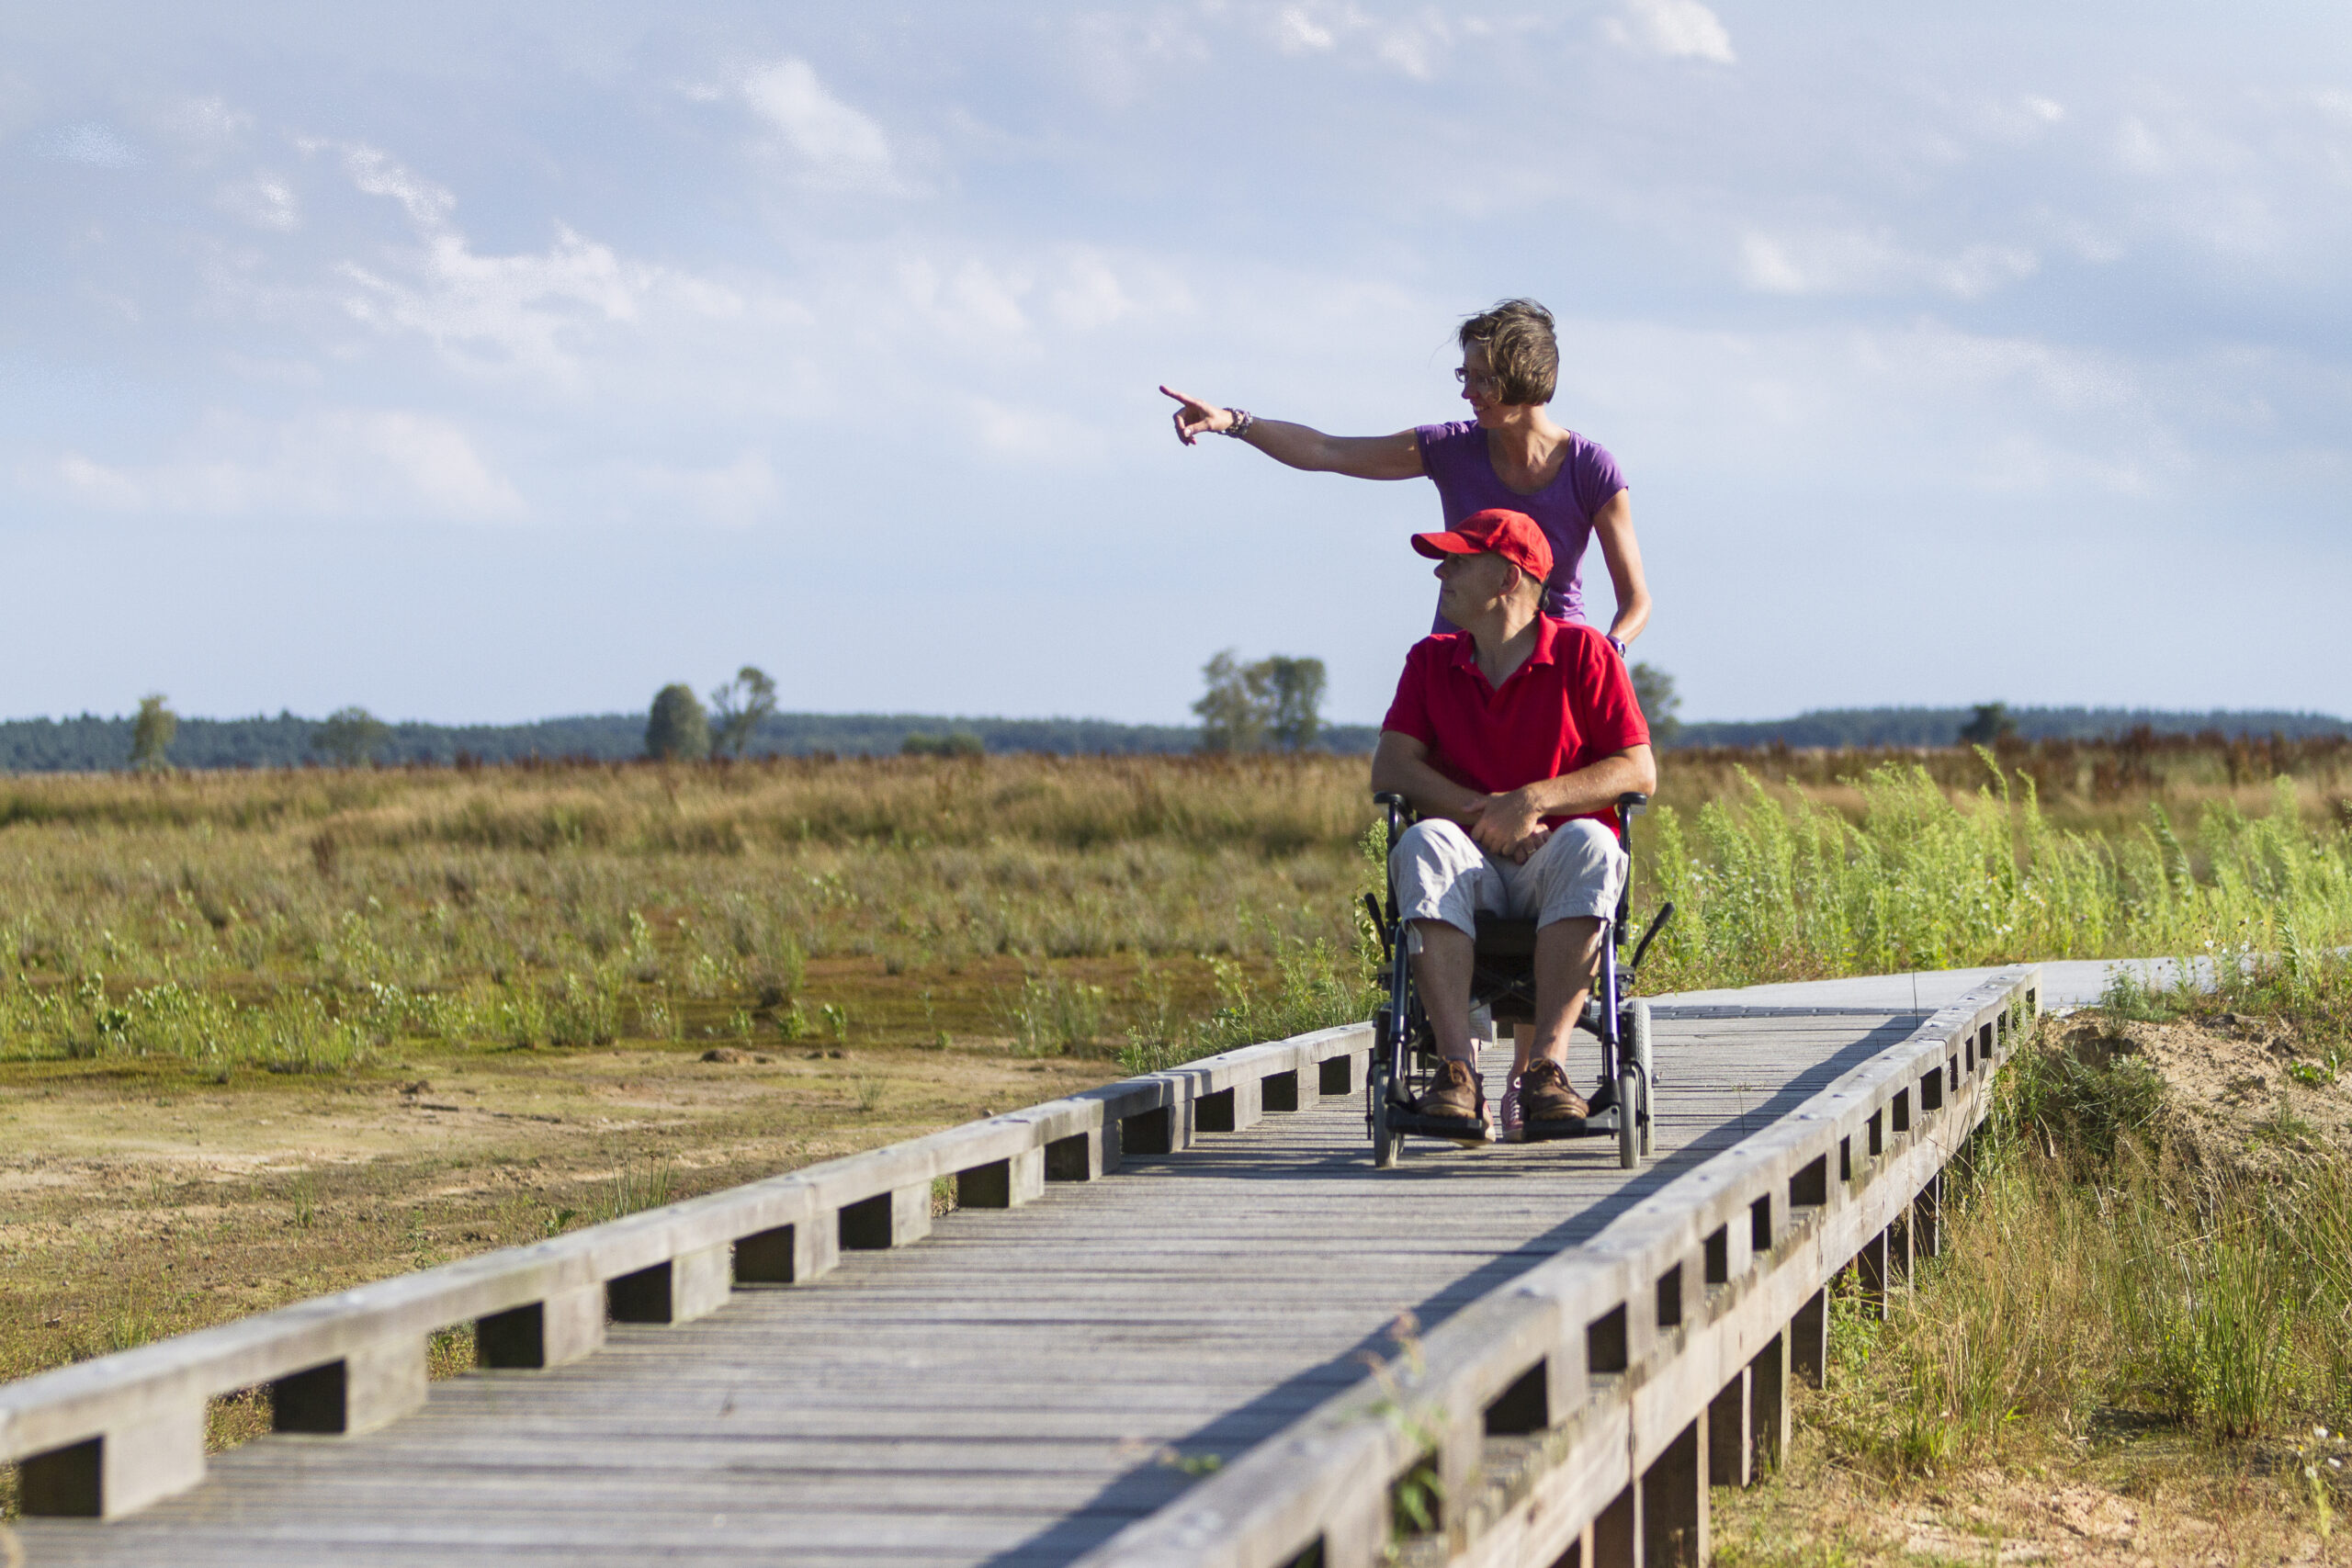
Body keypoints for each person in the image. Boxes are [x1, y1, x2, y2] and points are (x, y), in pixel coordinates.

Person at [1370, 507, 1656, 1142]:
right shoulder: (1430, 659)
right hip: (1465, 861)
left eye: (1458, 560)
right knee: (1421, 840)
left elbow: (1638, 769)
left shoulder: (1585, 654)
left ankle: (1547, 1069)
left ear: (1507, 576)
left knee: (1594, 842)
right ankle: (1455, 1071)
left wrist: (1532, 801)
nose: (1442, 571)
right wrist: (1486, 811)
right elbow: (1391, 763)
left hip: (1551, 858)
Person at [1161, 298, 1650, 645]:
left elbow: (1635, 601)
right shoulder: (1449, 449)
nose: (1467, 393)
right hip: (1459, 659)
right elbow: (1326, 450)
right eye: (1466, 376)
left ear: (1522, 378)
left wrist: (1611, 649)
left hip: (1558, 663)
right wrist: (1234, 422)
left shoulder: (1593, 469)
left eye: (1482, 379)